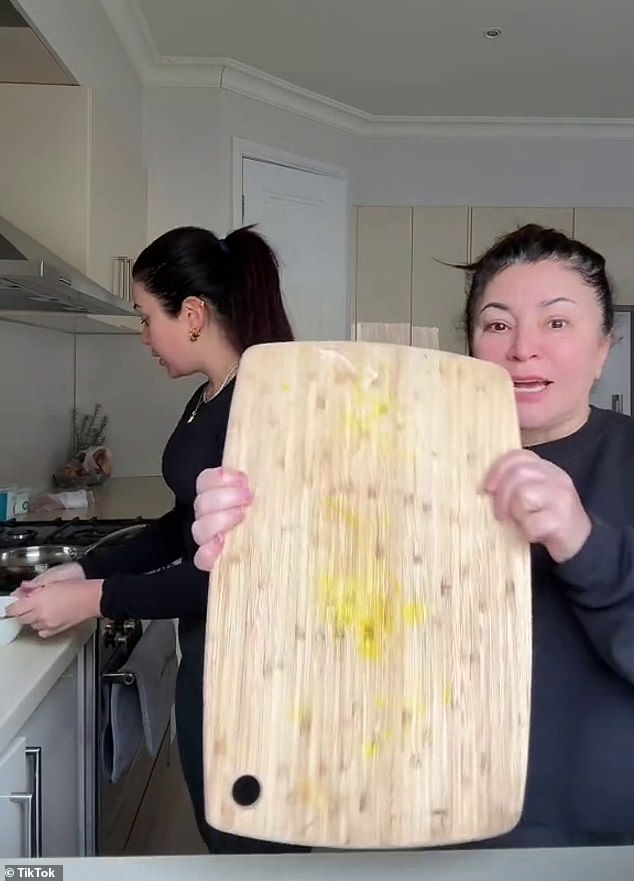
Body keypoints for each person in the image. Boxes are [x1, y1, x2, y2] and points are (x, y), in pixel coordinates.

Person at [189, 224, 634, 848]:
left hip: (601, 847)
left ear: (604, 347)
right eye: (498, 324)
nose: (523, 349)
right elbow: (327, 638)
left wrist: (584, 542)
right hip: (412, 822)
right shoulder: (388, 457)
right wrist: (256, 545)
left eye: (557, 323)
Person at [7, 224, 310, 855]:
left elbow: (229, 573)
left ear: (193, 314)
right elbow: (180, 523)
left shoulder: (263, 407)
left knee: (252, 844)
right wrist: (86, 566)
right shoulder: (210, 396)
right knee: (220, 827)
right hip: (213, 658)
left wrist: (96, 598)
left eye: (147, 318)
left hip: (255, 672)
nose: (144, 336)